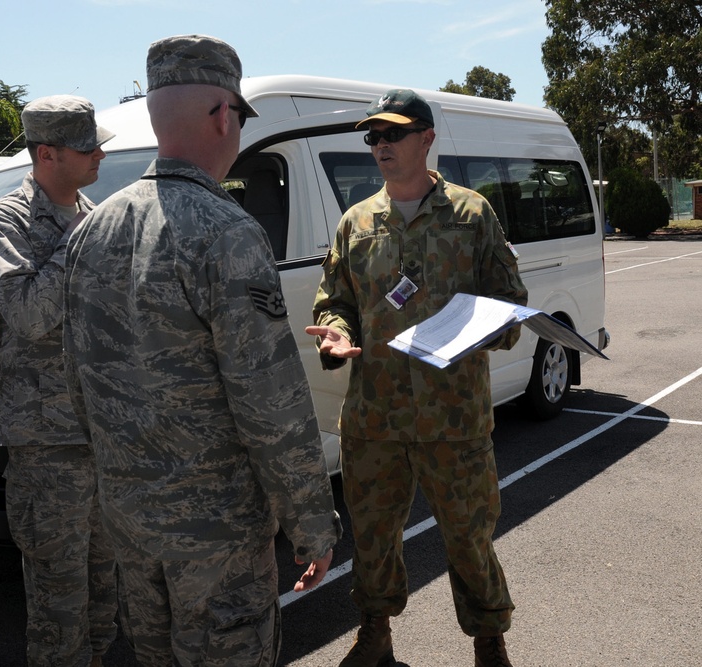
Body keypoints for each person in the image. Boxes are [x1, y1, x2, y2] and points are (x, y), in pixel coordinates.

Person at [63, 34, 342, 667]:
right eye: (239, 118)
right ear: (223, 115)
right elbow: (270, 402)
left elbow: (79, 386)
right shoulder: (226, 232)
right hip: (216, 542)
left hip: (133, 528)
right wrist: (312, 523)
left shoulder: (92, 231)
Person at [306, 89, 529, 667]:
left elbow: (509, 301)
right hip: (374, 418)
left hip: (453, 417)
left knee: (470, 538)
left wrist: (481, 329)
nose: (380, 145)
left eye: (392, 134)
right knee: (375, 537)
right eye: (373, 136)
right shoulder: (357, 220)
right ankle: (374, 633)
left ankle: (489, 641)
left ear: (426, 138)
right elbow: (334, 299)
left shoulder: (472, 213)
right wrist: (333, 332)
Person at [0, 95, 117, 667]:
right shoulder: (7, 221)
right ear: (47, 153)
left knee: (105, 596)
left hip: (104, 436)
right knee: (59, 608)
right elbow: (30, 314)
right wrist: (81, 243)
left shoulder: (96, 213)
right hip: (48, 446)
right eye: (87, 148)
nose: (99, 155)